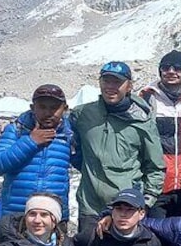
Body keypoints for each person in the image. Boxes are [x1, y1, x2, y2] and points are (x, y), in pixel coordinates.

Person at [71, 61, 165, 235]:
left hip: (125, 209)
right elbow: (57, 121)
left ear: (129, 86)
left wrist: (145, 201)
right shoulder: (83, 114)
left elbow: (155, 167)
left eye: (117, 82)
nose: (110, 87)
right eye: (106, 81)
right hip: (90, 208)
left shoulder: (142, 122)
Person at [0, 84, 75, 224]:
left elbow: (85, 163)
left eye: (54, 107)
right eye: (42, 107)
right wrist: (31, 141)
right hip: (17, 215)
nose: (48, 112)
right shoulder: (16, 131)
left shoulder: (68, 136)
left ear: (64, 109)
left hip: (53, 215)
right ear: (32, 108)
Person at [140, 50, 181, 218]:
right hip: (155, 186)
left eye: (178, 68)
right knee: (156, 239)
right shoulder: (147, 100)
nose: (171, 71)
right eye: (166, 67)